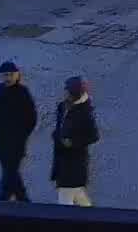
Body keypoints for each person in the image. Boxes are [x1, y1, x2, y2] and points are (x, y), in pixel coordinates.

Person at [0, 60, 37, 202]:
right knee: (10, 171)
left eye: (11, 74)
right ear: (1, 76)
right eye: (5, 75)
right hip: (0, 141)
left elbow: (32, 118)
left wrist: (23, 135)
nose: (8, 78)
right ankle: (21, 200)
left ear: (17, 75)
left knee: (10, 171)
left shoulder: (23, 93)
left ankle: (7, 200)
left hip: (17, 142)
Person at [50, 77, 99, 207]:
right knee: (78, 195)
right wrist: (56, 136)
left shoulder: (85, 112)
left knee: (65, 196)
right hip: (61, 158)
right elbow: (60, 127)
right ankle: (94, 220)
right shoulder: (62, 106)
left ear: (75, 92)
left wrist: (73, 143)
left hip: (74, 162)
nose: (64, 92)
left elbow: (93, 136)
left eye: (67, 90)